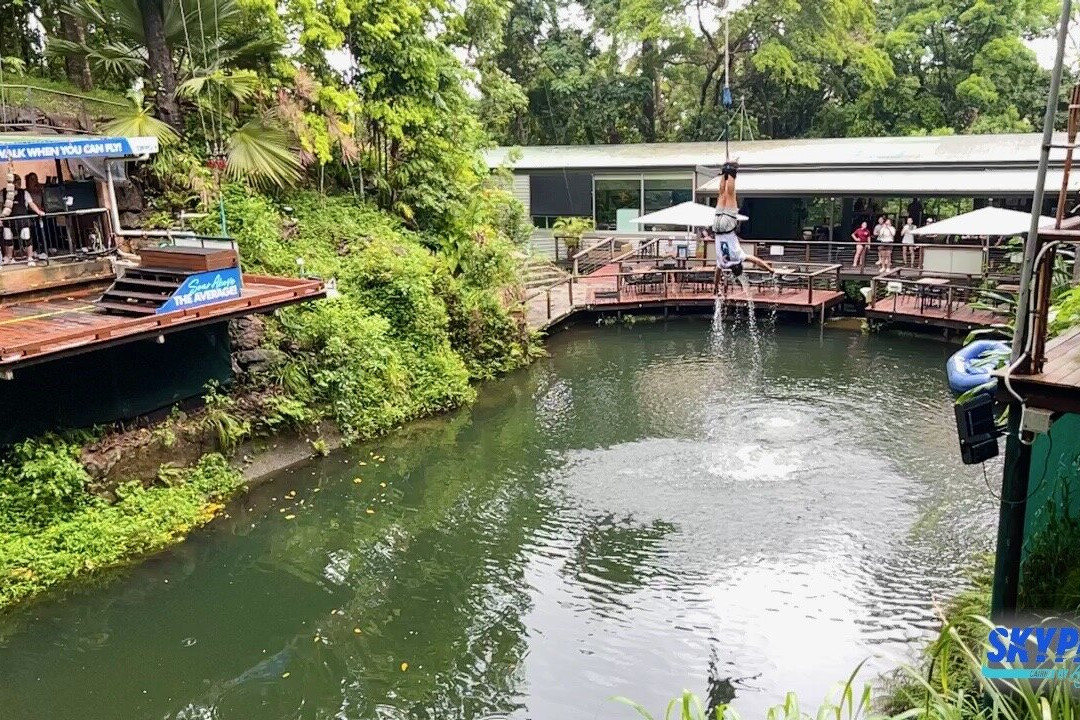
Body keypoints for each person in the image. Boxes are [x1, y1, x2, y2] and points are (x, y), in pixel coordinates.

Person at [711, 159, 773, 277]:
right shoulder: (723, 264)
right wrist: (715, 287)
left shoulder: (739, 258)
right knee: (721, 195)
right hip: (717, 227)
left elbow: (756, 260)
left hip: (727, 226)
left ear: (740, 265)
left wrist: (770, 269)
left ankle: (731, 170)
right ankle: (724, 172)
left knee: (730, 195)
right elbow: (717, 273)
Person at [0, 174, 45, 264]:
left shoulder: (24, 192)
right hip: (8, 220)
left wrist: (38, 211)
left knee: (27, 238)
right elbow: (0, 205)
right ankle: (9, 257)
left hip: (22, 220)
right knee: (8, 239)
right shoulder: (3, 192)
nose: (18, 184)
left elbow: (31, 203)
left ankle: (30, 257)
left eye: (19, 182)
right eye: (16, 182)